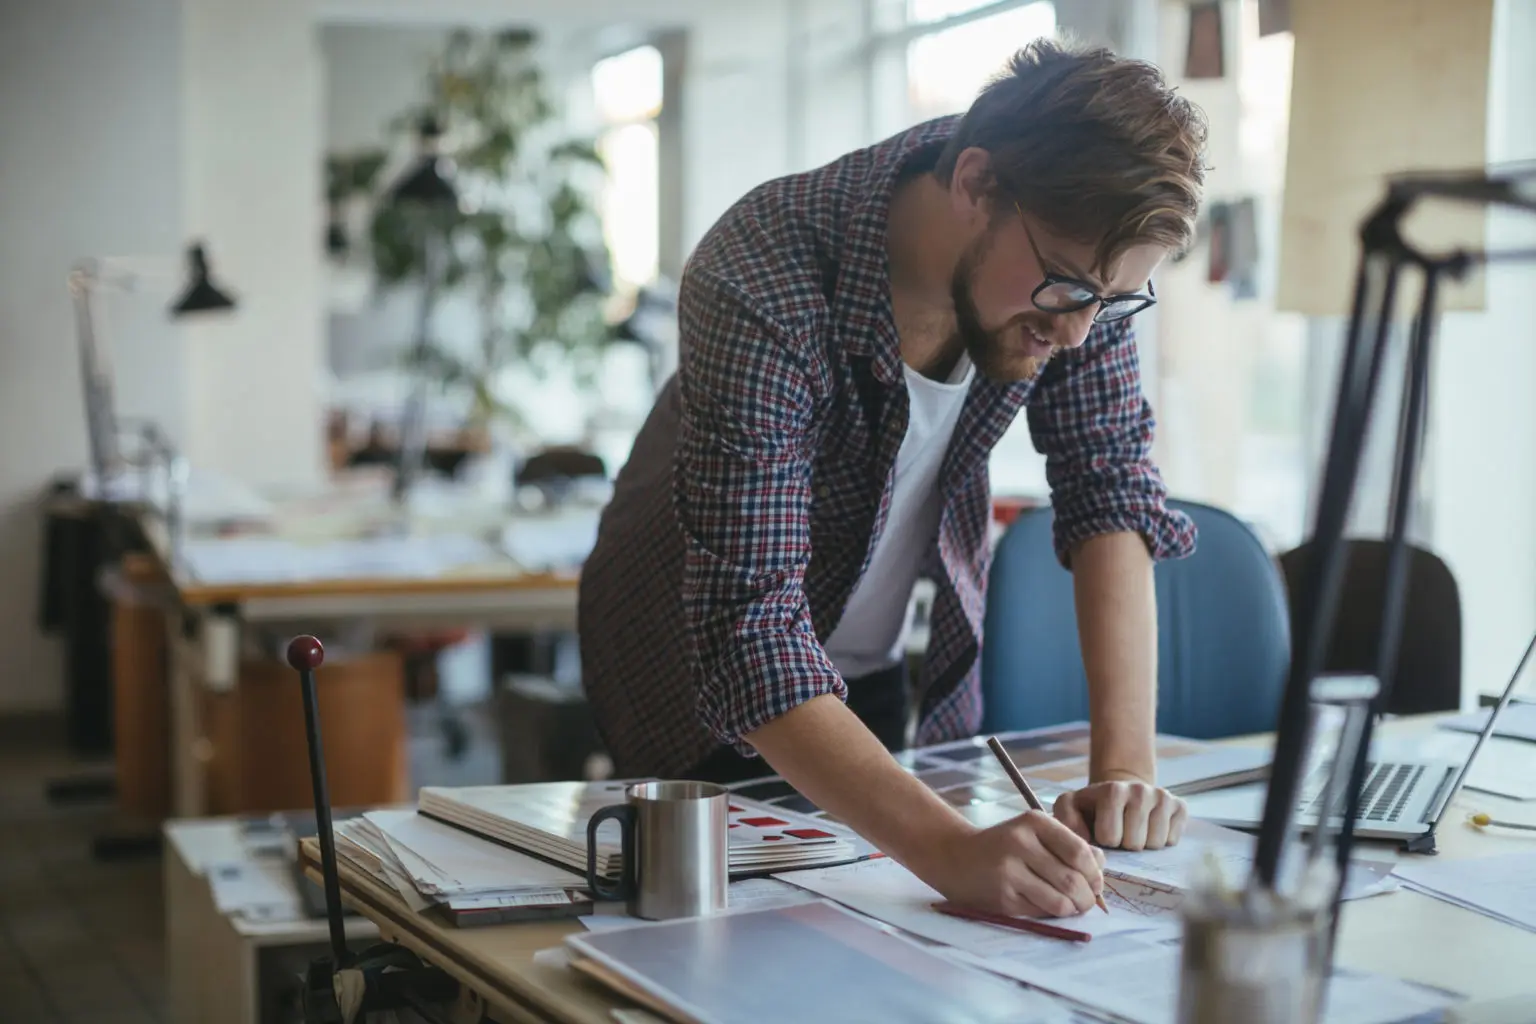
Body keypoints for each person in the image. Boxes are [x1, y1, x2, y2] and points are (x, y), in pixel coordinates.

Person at [578, 38, 1207, 920]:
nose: (1078, 334)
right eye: (1068, 290)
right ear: (975, 183)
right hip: (691, 679)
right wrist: (949, 850)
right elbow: (748, 629)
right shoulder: (763, 270)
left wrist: (1126, 772)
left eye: (1113, 301)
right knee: (723, 948)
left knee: (881, 935)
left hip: (859, 677)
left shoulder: (1075, 262)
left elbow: (1108, 488)